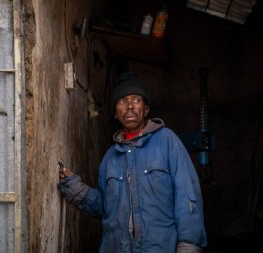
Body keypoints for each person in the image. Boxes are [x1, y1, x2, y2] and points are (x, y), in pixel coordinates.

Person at [57, 72, 207, 253]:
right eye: (122, 101)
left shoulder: (167, 142)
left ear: (146, 109)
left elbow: (187, 196)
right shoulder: (110, 158)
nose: (129, 106)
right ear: (115, 113)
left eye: (136, 100)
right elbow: (106, 207)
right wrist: (78, 191)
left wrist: (188, 246)